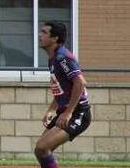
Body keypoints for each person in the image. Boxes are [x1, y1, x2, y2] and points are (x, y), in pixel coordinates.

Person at [34, 22, 91, 168]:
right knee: (40, 150)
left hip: (78, 113)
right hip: (65, 111)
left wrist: (68, 112)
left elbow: (80, 83)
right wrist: (52, 110)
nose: (40, 35)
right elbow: (62, 89)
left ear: (55, 38)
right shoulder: (53, 58)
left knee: (42, 147)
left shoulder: (62, 57)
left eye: (44, 32)